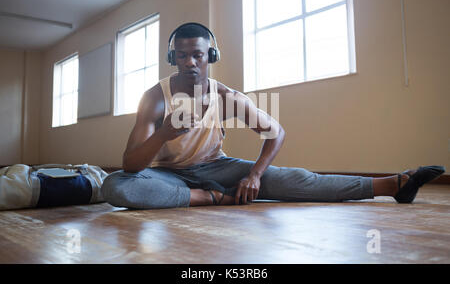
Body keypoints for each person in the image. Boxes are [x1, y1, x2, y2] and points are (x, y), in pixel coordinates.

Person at [101, 23, 445, 209]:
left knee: (292, 180)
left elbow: (275, 132)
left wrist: (254, 176)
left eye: (198, 55)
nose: (190, 62)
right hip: (169, 178)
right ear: (172, 57)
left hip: (217, 168)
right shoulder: (154, 99)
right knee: (116, 186)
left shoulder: (226, 97)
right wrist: (163, 135)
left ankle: (395, 184)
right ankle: (211, 198)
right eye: (182, 56)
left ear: (211, 56)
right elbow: (130, 165)